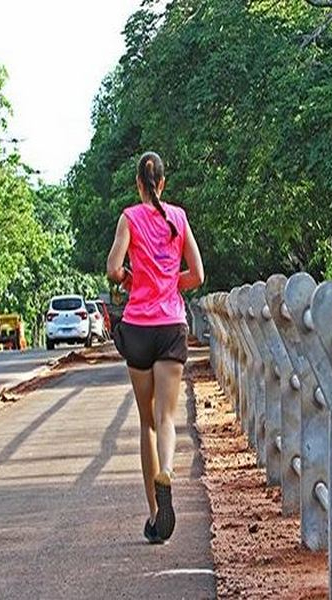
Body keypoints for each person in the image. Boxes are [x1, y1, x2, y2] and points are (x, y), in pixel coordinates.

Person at [107, 152, 204, 544]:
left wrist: (134, 279)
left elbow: (113, 269)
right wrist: (169, 283)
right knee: (167, 417)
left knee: (145, 420)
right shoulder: (179, 218)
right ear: (162, 183)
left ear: (138, 184)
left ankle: (153, 515)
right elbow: (198, 275)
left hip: (139, 327)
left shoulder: (129, 218)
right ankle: (167, 469)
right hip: (170, 326)